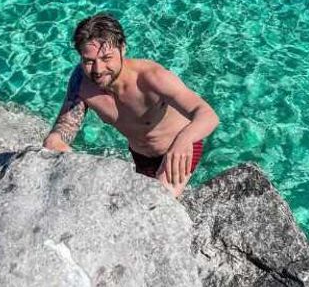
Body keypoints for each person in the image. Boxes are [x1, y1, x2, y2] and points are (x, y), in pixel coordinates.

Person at [43, 13, 219, 197]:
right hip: (140, 157)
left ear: (123, 49)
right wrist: (55, 139)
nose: (98, 69)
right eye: (89, 61)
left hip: (176, 153)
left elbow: (207, 114)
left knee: (155, 202)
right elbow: (67, 124)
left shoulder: (151, 78)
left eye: (106, 58)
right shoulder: (82, 81)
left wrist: (184, 140)